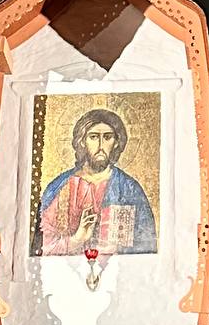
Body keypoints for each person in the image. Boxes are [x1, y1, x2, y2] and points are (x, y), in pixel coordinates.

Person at [37, 107, 158, 256]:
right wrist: (76, 240)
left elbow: (146, 246)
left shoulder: (130, 190)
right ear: (82, 141)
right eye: (93, 137)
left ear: (116, 143)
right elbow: (42, 248)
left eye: (107, 137)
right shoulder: (59, 187)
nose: (101, 145)